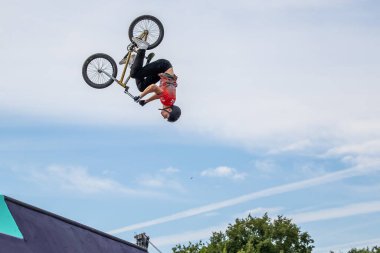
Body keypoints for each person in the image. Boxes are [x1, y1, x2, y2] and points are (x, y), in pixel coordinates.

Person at [128, 37, 181, 122]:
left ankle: (133, 63)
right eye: (166, 116)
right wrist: (140, 96)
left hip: (160, 73)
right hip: (163, 67)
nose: (164, 117)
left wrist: (146, 101)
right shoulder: (167, 100)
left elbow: (159, 95)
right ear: (169, 110)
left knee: (142, 87)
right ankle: (142, 47)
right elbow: (153, 87)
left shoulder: (168, 101)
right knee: (134, 74)